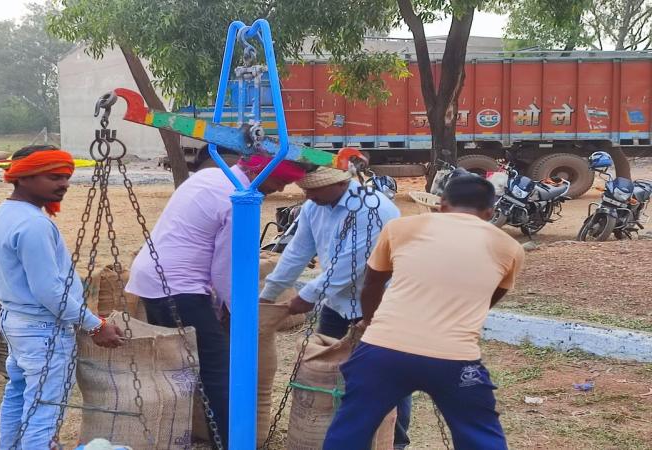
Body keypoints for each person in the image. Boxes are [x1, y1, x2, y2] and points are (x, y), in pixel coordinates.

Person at [324, 175, 525, 450]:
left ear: (441, 204)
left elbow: (372, 284)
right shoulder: (509, 248)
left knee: (350, 428)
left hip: (383, 351)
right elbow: (488, 298)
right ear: (490, 213)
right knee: (480, 433)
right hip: (455, 359)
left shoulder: (401, 228)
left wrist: (370, 322)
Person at [125, 154, 306, 446]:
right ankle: (230, 442)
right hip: (179, 286)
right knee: (220, 372)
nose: (281, 189)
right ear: (260, 170)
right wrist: (241, 315)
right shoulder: (237, 201)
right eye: (281, 180)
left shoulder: (209, 176)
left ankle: (177, 435)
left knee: (182, 366)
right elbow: (225, 270)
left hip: (151, 278)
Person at [258, 166, 411, 449]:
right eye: (305, 189)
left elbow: (349, 267)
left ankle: (394, 442)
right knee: (328, 371)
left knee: (387, 375)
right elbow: (297, 252)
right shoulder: (313, 207)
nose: (308, 195)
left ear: (341, 184)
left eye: (314, 189)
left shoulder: (374, 209)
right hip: (337, 305)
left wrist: (307, 296)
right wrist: (269, 295)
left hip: (380, 305)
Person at [0, 145, 125, 450]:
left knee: (19, 396)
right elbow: (49, 291)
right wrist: (96, 325)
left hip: (18, 322)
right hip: (43, 330)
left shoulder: (6, 212)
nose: (64, 184)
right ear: (23, 176)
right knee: (44, 410)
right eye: (54, 177)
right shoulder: (33, 224)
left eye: (66, 177)